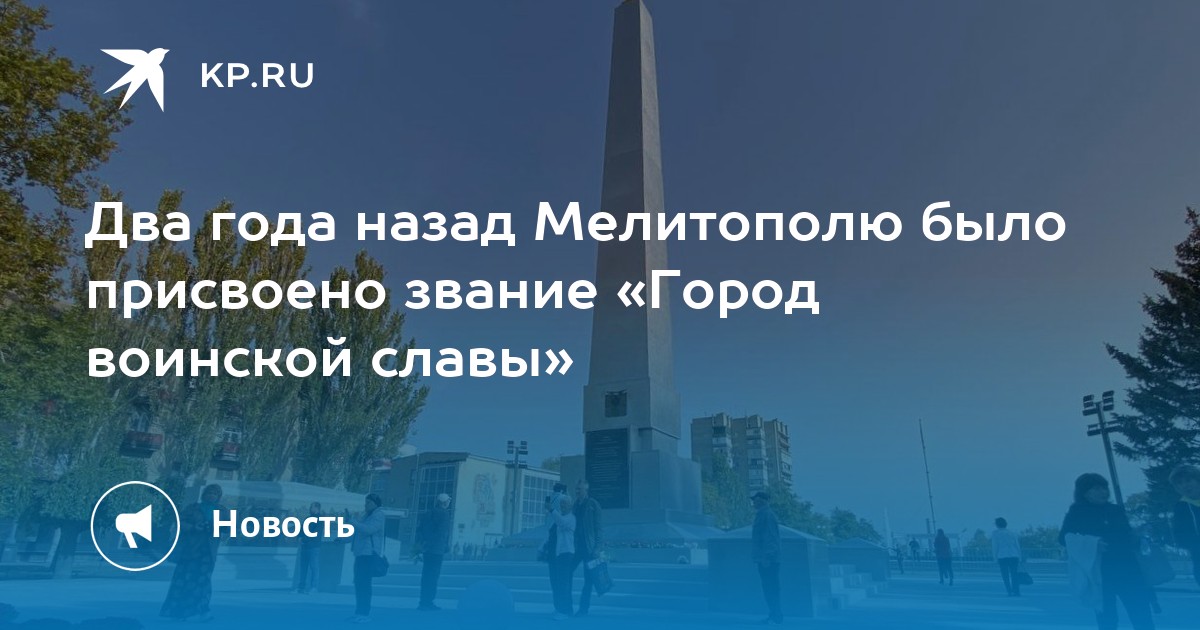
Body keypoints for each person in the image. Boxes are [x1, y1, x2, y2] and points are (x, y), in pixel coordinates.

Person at [1059, 473, 1155, 630]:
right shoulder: (1077, 512)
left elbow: (1126, 536)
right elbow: (1064, 538)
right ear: (1085, 492)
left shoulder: (1116, 510)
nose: (1103, 492)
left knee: (1141, 614)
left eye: (1104, 488)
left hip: (1128, 568)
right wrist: (1092, 544)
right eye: (1096, 488)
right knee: (1107, 619)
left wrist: (1137, 534)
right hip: (1100, 571)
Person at [161, 484, 224, 622]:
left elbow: (230, 527)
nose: (211, 496)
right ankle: (177, 612)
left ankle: (202, 611)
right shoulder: (193, 508)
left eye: (215, 493)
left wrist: (216, 526)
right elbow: (180, 522)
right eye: (209, 493)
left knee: (203, 581)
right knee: (183, 580)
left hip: (208, 552)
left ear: (218, 497)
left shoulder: (222, 511)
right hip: (190, 550)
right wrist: (194, 527)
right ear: (204, 494)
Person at [348, 493, 385, 623]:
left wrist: (354, 522)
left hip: (369, 554)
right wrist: (343, 539)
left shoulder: (379, 515)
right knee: (359, 583)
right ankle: (359, 611)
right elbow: (357, 532)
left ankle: (364, 613)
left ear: (375, 503)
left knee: (364, 584)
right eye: (365, 502)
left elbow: (369, 530)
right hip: (360, 553)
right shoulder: (366, 515)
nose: (366, 505)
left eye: (368, 502)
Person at [571, 480, 603, 617]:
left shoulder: (593, 505)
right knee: (567, 573)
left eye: (580, 489)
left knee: (588, 581)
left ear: (586, 490)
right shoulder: (574, 505)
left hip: (589, 549)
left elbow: (598, 528)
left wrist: (597, 548)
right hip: (576, 548)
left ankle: (583, 609)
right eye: (576, 489)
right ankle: (566, 606)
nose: (577, 491)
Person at [415, 493, 452, 611]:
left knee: (426, 576)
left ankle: (423, 602)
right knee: (433, 577)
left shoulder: (428, 513)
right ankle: (429, 602)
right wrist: (444, 546)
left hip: (427, 549)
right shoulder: (444, 514)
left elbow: (419, 530)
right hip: (437, 550)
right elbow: (441, 533)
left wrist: (423, 545)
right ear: (444, 503)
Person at [751, 491, 783, 625]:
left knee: (771, 588)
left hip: (768, 560)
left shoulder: (767, 515)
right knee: (769, 588)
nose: (753, 502)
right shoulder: (762, 515)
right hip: (765, 558)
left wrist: (767, 557)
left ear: (762, 500)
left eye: (755, 499)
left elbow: (770, 538)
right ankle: (773, 616)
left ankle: (776, 618)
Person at [1169, 463, 1200, 587]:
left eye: (1188, 480)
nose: (1185, 485)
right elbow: (1180, 535)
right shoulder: (1181, 507)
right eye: (1179, 483)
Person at [548, 494, 577, 620]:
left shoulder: (571, 518)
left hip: (567, 554)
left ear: (570, 505)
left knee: (564, 583)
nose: (562, 506)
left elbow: (562, 523)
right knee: (559, 582)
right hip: (559, 554)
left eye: (565, 503)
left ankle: (565, 611)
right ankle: (561, 608)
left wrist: (551, 510)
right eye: (561, 503)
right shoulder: (560, 517)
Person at [294, 501, 322, 594]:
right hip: (305, 547)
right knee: (303, 568)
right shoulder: (307, 518)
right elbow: (301, 529)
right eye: (310, 507)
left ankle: (314, 587)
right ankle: (301, 588)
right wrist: (299, 537)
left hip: (313, 547)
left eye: (312, 507)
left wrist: (303, 539)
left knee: (314, 568)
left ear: (317, 508)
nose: (310, 509)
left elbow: (315, 533)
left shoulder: (320, 520)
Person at [991, 517, 1022, 596]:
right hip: (1014, 555)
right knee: (1014, 574)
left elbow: (995, 546)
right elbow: (1017, 545)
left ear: (997, 525)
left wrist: (995, 558)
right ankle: (1016, 591)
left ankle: (1009, 591)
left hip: (1002, 556)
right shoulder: (1012, 532)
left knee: (1005, 575)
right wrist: (1020, 556)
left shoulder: (995, 533)